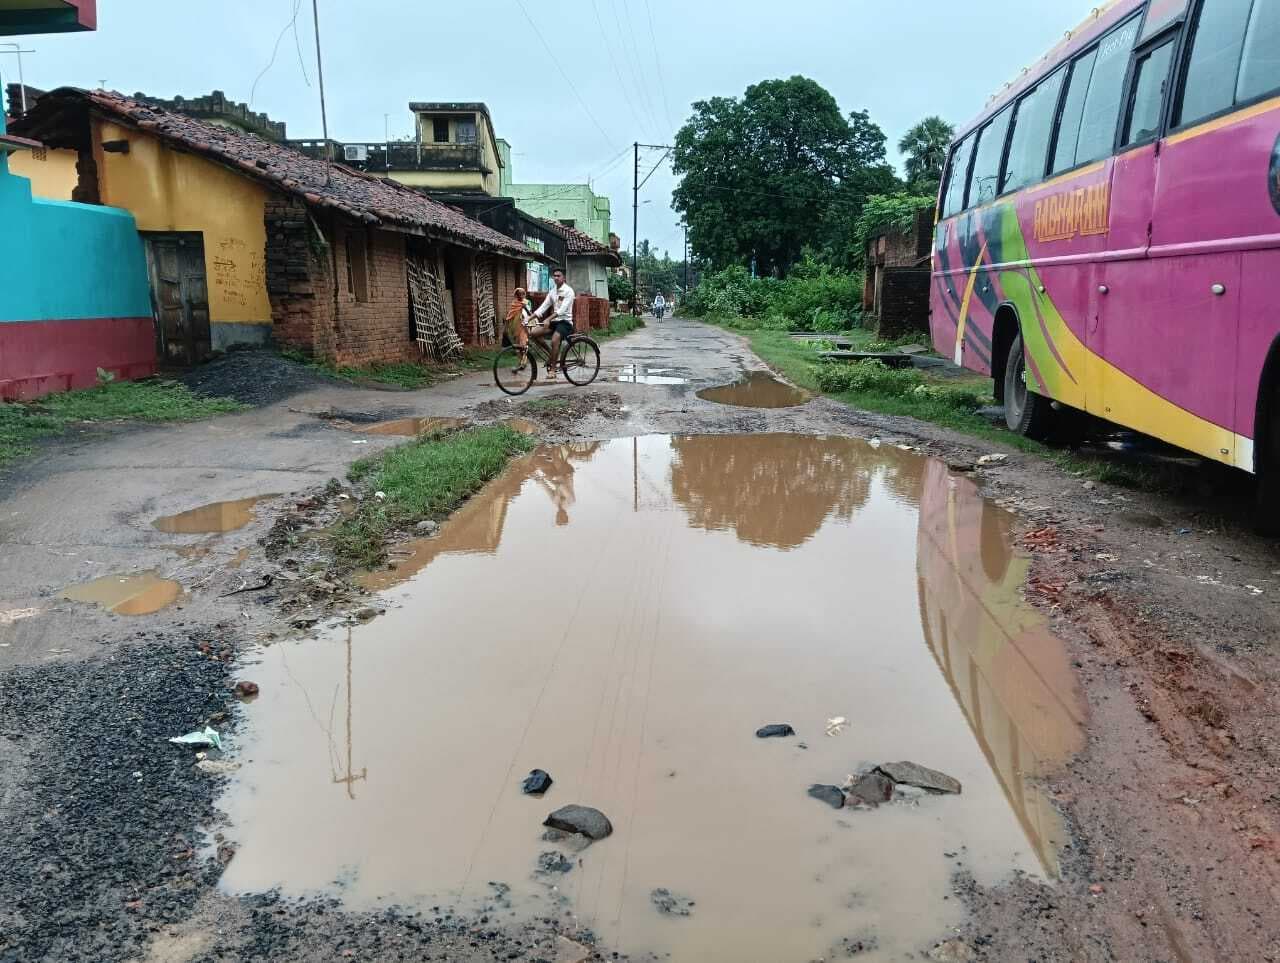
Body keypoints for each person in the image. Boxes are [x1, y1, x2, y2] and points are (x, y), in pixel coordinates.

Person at [529, 268, 575, 382]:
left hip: (565, 322)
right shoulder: (553, 291)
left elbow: (562, 310)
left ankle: (553, 370)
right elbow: (543, 307)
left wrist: (548, 319)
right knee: (533, 333)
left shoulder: (569, 291)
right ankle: (552, 354)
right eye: (554, 276)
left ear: (563, 278)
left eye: (558, 276)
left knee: (555, 340)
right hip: (555, 322)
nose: (556, 278)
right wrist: (528, 318)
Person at [504, 286, 533, 370]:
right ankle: (521, 361)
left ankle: (523, 362)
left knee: (523, 344)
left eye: (523, 294)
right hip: (515, 327)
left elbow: (530, 314)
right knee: (517, 346)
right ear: (516, 295)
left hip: (525, 326)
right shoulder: (514, 304)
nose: (521, 296)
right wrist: (506, 328)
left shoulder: (527, 302)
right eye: (519, 294)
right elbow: (509, 316)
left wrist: (525, 307)